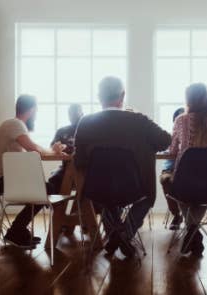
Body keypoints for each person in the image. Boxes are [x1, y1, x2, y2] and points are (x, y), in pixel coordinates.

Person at [74, 76, 171, 258]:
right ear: (122, 95)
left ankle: (115, 236)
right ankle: (124, 234)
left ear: (99, 97)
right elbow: (166, 140)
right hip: (134, 187)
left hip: (98, 188)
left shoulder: (86, 122)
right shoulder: (139, 120)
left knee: (105, 198)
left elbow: (79, 160)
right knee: (146, 198)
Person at [0, 94, 67, 249]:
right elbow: (35, 150)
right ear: (32, 110)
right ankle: (16, 230)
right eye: (37, 111)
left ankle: (18, 230)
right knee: (46, 189)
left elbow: (30, 154)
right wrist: (54, 151)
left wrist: (50, 151)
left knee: (45, 188)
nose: (36, 114)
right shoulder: (15, 124)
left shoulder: (14, 125)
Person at [168, 83, 207, 255]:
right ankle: (194, 231)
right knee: (202, 195)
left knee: (176, 187)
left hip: (184, 179)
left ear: (188, 99)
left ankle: (192, 230)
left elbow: (172, 151)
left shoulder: (181, 120)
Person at [160, 107, 186, 230]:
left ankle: (191, 217)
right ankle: (176, 215)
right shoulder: (170, 136)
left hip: (189, 170)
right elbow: (167, 150)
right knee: (166, 180)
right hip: (170, 169)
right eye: (177, 118)